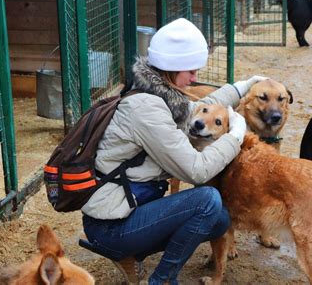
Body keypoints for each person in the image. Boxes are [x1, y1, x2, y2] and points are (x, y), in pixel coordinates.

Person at [81, 18, 266, 285]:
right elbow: (196, 169)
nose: (194, 78)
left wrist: (242, 86)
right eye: (190, 70)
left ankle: (132, 255)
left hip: (129, 209)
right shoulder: (147, 110)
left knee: (219, 220)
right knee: (207, 201)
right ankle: (162, 279)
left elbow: (201, 106)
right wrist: (235, 137)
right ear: (171, 67)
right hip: (110, 227)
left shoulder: (157, 94)